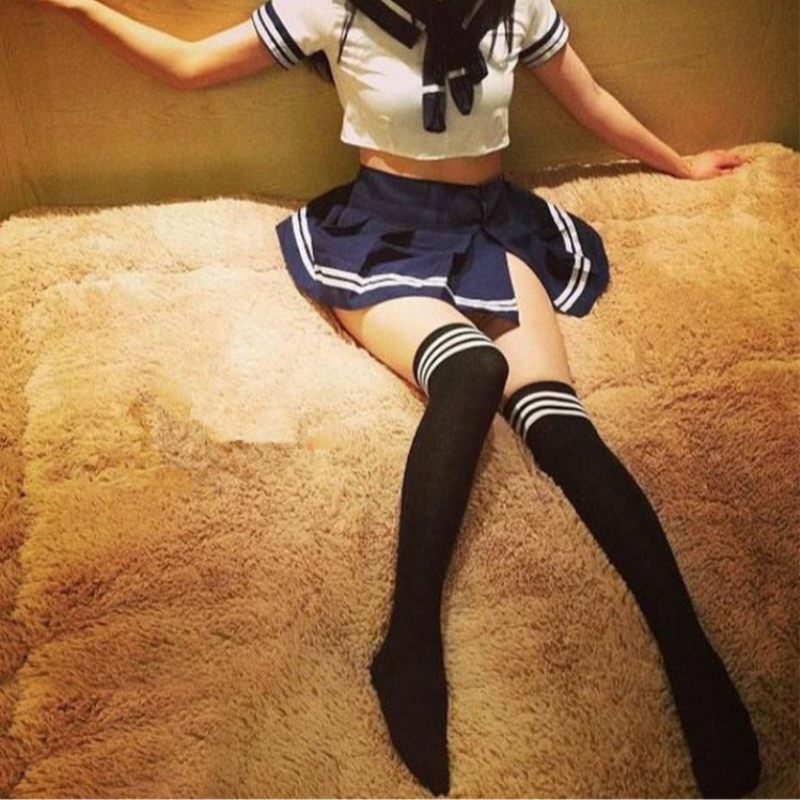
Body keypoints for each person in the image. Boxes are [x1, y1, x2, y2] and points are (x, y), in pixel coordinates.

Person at [22, 0, 761, 796]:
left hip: (492, 225)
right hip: (383, 235)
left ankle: (691, 657)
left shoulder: (515, 5)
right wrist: (76, 4)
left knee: (562, 427)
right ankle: (408, 642)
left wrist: (678, 164)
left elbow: (591, 99)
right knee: (471, 372)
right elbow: (187, 65)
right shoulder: (334, 7)